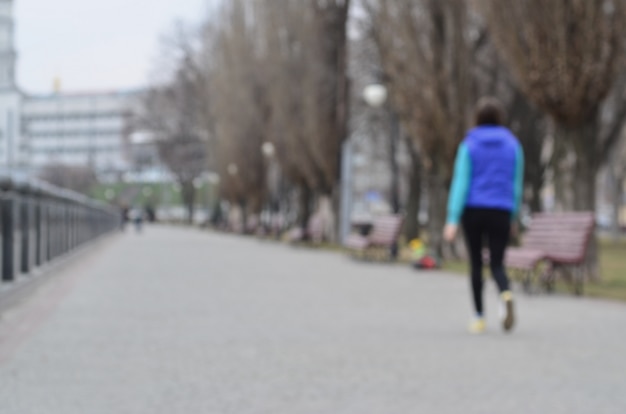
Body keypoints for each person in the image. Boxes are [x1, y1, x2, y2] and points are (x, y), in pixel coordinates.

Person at [443, 97, 524, 334]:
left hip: (474, 209)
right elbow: (516, 183)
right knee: (497, 263)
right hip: (501, 209)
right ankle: (505, 292)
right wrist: (514, 216)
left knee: (476, 263)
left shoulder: (469, 144)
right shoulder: (513, 145)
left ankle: (478, 317)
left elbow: (461, 181)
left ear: (477, 118)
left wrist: (452, 218)